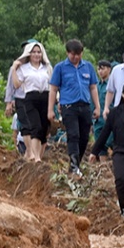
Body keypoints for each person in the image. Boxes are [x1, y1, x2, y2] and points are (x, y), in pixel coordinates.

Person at [91, 80, 124, 218]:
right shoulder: (115, 113)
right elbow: (105, 133)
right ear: (123, 95)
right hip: (121, 149)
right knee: (121, 179)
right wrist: (94, 152)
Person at [47, 39, 100, 175]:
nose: (75, 57)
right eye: (72, 54)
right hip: (69, 106)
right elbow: (53, 89)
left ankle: (75, 164)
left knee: (84, 137)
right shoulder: (60, 68)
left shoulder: (88, 67)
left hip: (85, 105)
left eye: (78, 54)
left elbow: (93, 87)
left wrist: (97, 107)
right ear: (67, 53)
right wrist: (50, 109)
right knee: (73, 134)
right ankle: (75, 165)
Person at [9, 40, 51, 163]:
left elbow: (52, 85)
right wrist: (14, 69)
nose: (36, 55)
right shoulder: (24, 69)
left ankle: (40, 157)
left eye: (39, 52)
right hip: (30, 98)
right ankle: (35, 156)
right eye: (34, 52)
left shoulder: (46, 68)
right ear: (29, 54)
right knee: (35, 126)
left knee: (44, 128)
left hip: (45, 97)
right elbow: (17, 84)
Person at [91, 59, 112, 157]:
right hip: (98, 120)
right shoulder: (96, 86)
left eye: (102, 69)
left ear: (109, 69)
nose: (100, 71)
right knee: (99, 146)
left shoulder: (112, 85)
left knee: (109, 143)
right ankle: (102, 167)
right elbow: (92, 102)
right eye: (98, 69)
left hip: (109, 120)